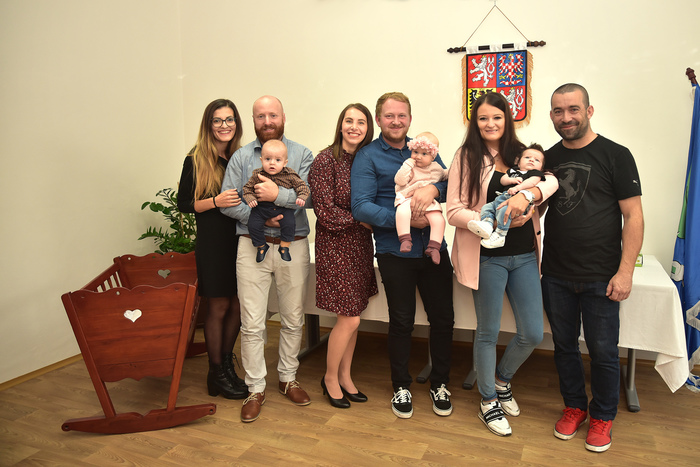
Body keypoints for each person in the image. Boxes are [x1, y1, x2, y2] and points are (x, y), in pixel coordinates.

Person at [446, 92, 558, 437]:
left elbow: (550, 181)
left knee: (533, 332)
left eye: (496, 117)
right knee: (487, 332)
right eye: (483, 118)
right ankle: (488, 400)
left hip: (524, 256)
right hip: (487, 257)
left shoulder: (523, 153)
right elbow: (453, 211)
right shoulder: (465, 156)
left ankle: (502, 379)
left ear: (507, 119)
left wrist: (528, 196)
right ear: (475, 122)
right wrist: (487, 219)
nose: (490, 124)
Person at [541, 83, 644, 453]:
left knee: (603, 351)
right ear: (551, 115)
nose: (566, 117)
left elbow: (634, 216)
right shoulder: (547, 158)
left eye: (573, 109)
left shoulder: (616, 155)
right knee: (564, 347)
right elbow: (535, 205)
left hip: (602, 275)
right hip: (555, 273)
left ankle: (602, 415)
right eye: (558, 111)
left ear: (589, 110)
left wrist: (625, 271)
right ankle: (575, 407)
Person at [351, 92, 455, 419]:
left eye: (402, 116)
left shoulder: (425, 146)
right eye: (389, 116)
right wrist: (405, 220)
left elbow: (449, 182)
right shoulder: (368, 156)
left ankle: (440, 383)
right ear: (379, 119)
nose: (396, 121)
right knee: (401, 321)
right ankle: (401, 386)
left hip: (434, 248)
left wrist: (434, 189)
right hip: (395, 250)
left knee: (443, 319)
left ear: (409, 118)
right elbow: (361, 206)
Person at [220, 95, 314, 423]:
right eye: (260, 116)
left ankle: (288, 378)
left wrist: (279, 196)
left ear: (283, 117)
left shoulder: (302, 154)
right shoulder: (241, 157)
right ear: (253, 120)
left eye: (273, 114)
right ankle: (255, 387)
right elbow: (229, 201)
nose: (267, 121)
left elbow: (310, 197)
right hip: (251, 244)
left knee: (293, 317)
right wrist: (260, 218)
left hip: (293, 244)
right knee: (252, 322)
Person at [308, 103, 378, 409]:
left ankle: (346, 377)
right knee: (349, 318)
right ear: (340, 125)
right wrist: (360, 220)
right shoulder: (325, 160)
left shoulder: (365, 159)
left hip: (360, 246)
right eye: (349, 120)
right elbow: (324, 211)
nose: (354, 127)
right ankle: (329, 378)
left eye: (361, 122)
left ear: (368, 128)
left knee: (353, 316)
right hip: (335, 246)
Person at [177, 98, 248, 400]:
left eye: (229, 119)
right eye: (217, 120)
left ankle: (226, 367)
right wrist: (215, 202)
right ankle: (215, 371)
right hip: (214, 243)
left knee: (238, 305)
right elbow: (183, 204)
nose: (224, 125)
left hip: (240, 241)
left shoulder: (240, 157)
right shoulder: (195, 159)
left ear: (236, 123)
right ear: (209, 125)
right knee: (218, 306)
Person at [242, 139, 310, 263]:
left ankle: (284, 247)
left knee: (290, 223)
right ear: (261, 160)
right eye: (268, 159)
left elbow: (302, 186)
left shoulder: (290, 175)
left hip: (283, 208)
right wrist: (250, 198)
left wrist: (302, 196)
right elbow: (247, 189)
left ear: (285, 162)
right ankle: (261, 246)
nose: (272, 163)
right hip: (261, 208)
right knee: (253, 224)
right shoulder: (257, 175)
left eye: (278, 160)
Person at [468, 144, 545, 249]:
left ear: (541, 167)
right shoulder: (513, 171)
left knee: (504, 211)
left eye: (537, 160)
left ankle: (500, 234)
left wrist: (517, 188)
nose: (531, 160)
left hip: (517, 203)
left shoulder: (535, 173)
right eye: (527, 157)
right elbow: (503, 180)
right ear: (518, 162)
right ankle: (487, 225)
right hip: (501, 198)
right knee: (487, 207)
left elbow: (532, 182)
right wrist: (511, 180)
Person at [394, 132, 449, 264]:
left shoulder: (437, 168)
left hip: (429, 202)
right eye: (415, 152)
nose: (418, 156)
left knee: (439, 220)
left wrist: (455, 169)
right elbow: (399, 181)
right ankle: (405, 239)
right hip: (408, 197)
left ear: (433, 157)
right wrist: (407, 165)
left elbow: (446, 177)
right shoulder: (410, 167)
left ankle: (434, 247)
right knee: (402, 212)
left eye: (424, 154)